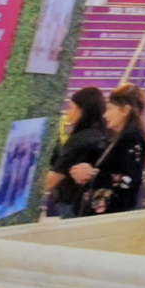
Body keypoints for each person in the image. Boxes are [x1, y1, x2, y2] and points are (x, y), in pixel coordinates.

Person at [73, 82, 145, 216]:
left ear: (125, 110)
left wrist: (92, 174)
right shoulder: (120, 137)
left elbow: (127, 179)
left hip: (112, 216)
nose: (105, 115)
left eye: (110, 109)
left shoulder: (133, 139)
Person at [43, 87, 107, 218]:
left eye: (71, 108)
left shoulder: (81, 140)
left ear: (82, 110)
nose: (68, 113)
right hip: (89, 206)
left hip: (68, 204)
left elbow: (53, 179)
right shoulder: (105, 134)